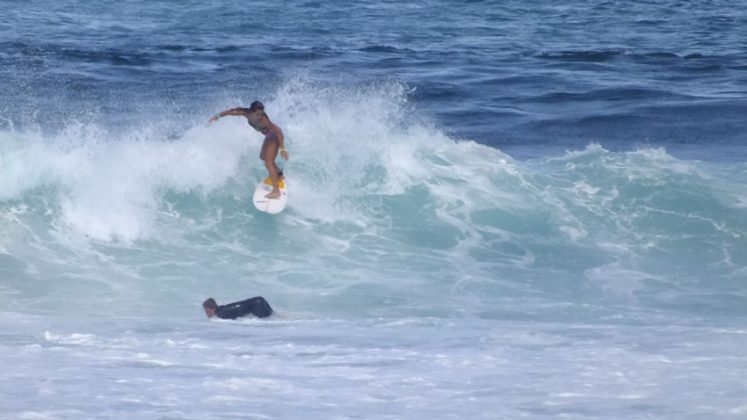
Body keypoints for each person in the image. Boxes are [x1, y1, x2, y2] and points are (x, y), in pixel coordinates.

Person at [208, 101, 289, 198]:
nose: (260, 116)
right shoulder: (246, 113)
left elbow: (278, 132)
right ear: (251, 112)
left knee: (269, 162)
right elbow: (231, 112)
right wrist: (217, 116)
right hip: (269, 136)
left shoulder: (264, 120)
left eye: (262, 113)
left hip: (275, 136)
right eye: (258, 114)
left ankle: (276, 192)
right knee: (263, 157)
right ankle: (279, 175)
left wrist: (283, 149)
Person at [202, 296, 274, 320]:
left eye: (205, 310)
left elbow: (238, 313)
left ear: (208, 309)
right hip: (259, 300)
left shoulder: (222, 314)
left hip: (257, 304)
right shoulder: (222, 308)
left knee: (264, 324)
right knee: (273, 317)